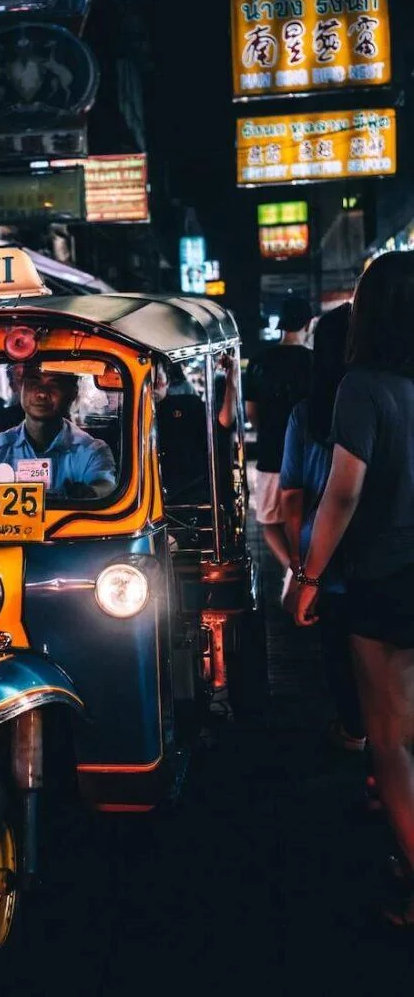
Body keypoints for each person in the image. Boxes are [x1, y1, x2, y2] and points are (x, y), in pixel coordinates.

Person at [293, 253, 414, 926]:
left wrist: (307, 578)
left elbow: (341, 494)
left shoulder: (362, 386)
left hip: (387, 577)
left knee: (390, 739)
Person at [280, 304, 365, 751]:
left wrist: (300, 564)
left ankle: (354, 729)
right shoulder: (387, 398)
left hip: (325, 553)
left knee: (337, 648)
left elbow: (292, 495)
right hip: (376, 552)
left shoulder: (305, 413)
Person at [0, 366, 116, 499]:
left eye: (54, 383)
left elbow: (106, 486)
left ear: (72, 393)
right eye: (34, 380)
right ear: (21, 387)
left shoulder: (91, 451)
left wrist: (89, 493)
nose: (42, 393)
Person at [245, 296, 313, 568]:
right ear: (308, 324)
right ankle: (309, 569)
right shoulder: (315, 362)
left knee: (270, 521)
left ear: (280, 325)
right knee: (306, 519)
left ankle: (293, 570)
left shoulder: (260, 361)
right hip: (308, 457)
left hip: (271, 454)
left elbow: (251, 412)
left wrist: (269, 432)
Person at [154, 354, 238, 505]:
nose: (152, 386)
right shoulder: (126, 416)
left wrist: (231, 381)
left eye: (157, 378)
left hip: (188, 497)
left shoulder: (188, 405)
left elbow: (222, 425)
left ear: (167, 381)